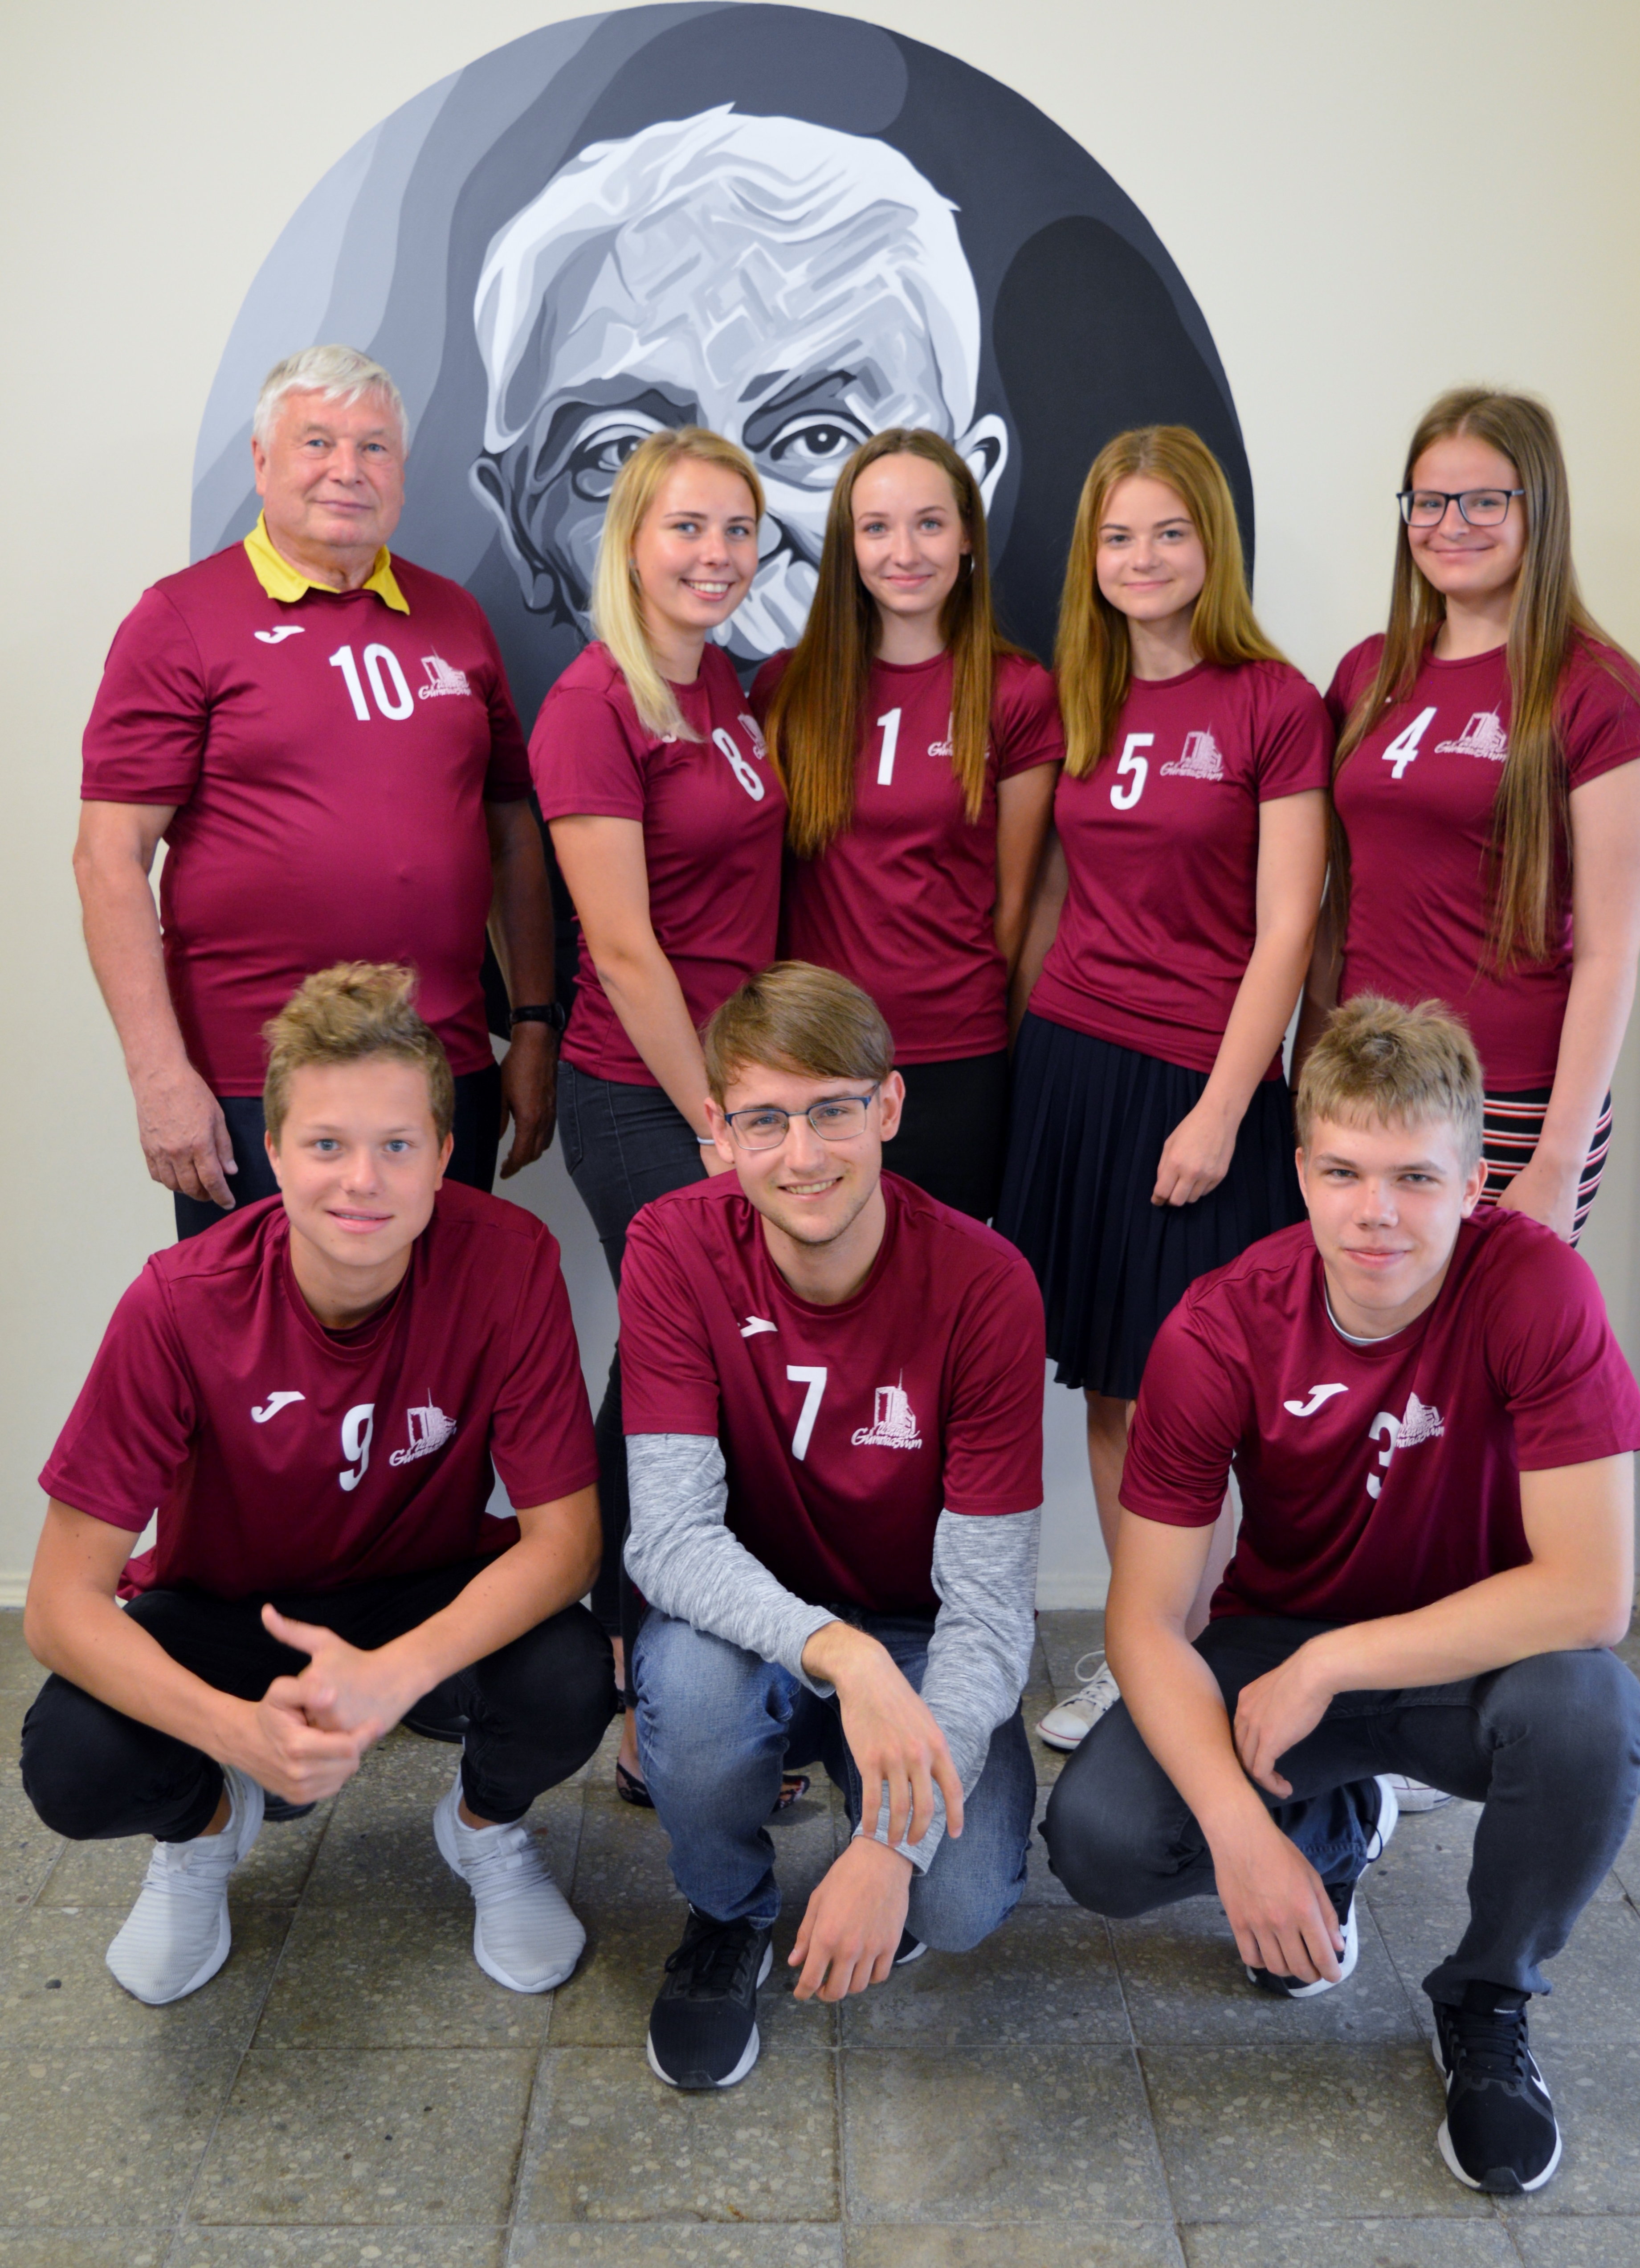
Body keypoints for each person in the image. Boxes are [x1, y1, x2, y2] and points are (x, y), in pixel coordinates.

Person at [1043, 995, 1640, 2197]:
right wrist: (1241, 1835)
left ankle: (1487, 1997)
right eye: (1344, 1172)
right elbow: (1143, 1620)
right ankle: (1327, 1834)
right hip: (1279, 1640)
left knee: (1591, 1716)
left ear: (1475, 1180)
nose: (1377, 1211)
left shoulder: (1538, 1290)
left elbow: (1592, 1595)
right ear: (1302, 1174)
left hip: (1478, 1653)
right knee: (1103, 1839)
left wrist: (1337, 1663)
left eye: (1415, 1177)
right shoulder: (1219, 1325)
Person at [20, 964, 615, 2007]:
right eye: (328, 1144)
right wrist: (234, 1733)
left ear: (444, 1155)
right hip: (228, 1607)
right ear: (276, 1152)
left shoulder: (510, 1260)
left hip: (419, 1586)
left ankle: (484, 1828)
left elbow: (564, 1543)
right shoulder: (179, 1303)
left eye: (398, 1145)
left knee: (572, 1672)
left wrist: (396, 1673)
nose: (362, 1180)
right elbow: (60, 1606)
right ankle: (205, 1830)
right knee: (73, 1760)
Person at [618, 962, 1045, 2089]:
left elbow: (991, 1613)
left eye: (832, 1111)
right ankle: (727, 1913)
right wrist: (840, 1655)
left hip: (921, 1635)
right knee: (692, 1688)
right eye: (765, 1119)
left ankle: (876, 1813)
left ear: (888, 1106)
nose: (802, 1154)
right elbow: (668, 1540)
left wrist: (889, 1851)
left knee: (959, 1899)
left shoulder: (987, 1283)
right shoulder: (671, 1244)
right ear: (718, 1132)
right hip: (759, 1628)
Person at [996, 425, 1331, 1747]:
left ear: (1211, 544)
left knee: (1197, 1392)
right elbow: (1054, 896)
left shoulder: (1274, 701)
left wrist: (1221, 1110)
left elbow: (1286, 929)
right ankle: (1149, 1655)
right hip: (1073, 1070)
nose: (1142, 558)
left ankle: (1212, 1654)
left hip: (1200, 1082)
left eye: (1168, 532)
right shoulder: (1077, 694)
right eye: (1118, 536)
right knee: (1110, 1387)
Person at [75, 346, 561, 1240]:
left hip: (442, 1069)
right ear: (262, 462)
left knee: (444, 1319)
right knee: (264, 1328)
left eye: (374, 447)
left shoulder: (456, 618)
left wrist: (531, 1021)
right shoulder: (179, 620)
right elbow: (109, 858)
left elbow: (509, 831)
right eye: (317, 443)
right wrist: (158, 1075)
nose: (348, 469)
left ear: (402, 473)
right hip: (255, 1079)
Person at [526, 427, 787, 1806]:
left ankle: (701, 1667)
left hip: (733, 1089)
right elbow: (623, 950)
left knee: (693, 1372)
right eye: (688, 527)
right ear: (629, 541)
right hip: (643, 1094)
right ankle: (639, 1697)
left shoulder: (723, 684)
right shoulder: (594, 704)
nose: (716, 554)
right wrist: (711, 1117)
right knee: (675, 1380)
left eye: (738, 528)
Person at [1296, 388, 1640, 1248]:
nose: (1450, 525)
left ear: (1540, 508)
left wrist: (1557, 1160)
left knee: (1486, 1334)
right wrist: (1303, 1075)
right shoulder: (1366, 673)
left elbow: (1609, 953)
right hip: (1358, 1087)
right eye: (1428, 502)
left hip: (1505, 1103)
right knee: (1361, 1332)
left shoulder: (1598, 693)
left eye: (1483, 500)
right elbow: (1337, 904)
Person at [470, 108, 1008, 674]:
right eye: (623, 450)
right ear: (519, 528)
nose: (727, 547)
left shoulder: (1010, 706)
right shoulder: (592, 718)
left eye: (819, 439)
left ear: (968, 498)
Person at [753, 428, 1062, 1219]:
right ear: (847, 544)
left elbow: (1016, 904)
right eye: (876, 527)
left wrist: (960, 1015)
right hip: (813, 1053)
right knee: (818, 1273)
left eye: (928, 523)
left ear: (966, 537)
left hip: (955, 1057)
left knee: (938, 1275)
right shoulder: (787, 689)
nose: (904, 552)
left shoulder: (1017, 692)